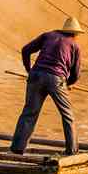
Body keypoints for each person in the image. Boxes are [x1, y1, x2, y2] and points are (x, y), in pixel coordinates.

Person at [10, 16, 83, 156]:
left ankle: (17, 148)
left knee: (29, 113)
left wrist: (29, 70)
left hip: (36, 76)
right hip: (55, 79)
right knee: (68, 115)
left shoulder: (48, 35)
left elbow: (25, 50)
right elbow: (76, 73)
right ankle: (72, 151)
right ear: (75, 33)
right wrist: (68, 84)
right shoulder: (74, 45)